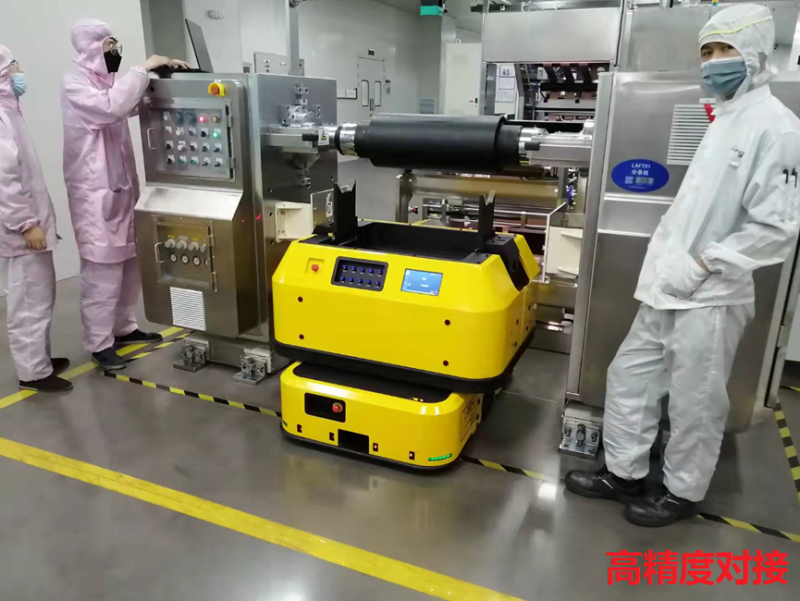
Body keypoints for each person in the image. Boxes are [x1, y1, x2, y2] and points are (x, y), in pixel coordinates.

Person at [565, 4, 800, 527]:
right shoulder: (723, 118)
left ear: (755, 53)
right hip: (667, 288)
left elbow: (777, 229)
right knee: (629, 377)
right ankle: (623, 473)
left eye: (725, 49)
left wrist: (701, 266)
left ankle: (681, 492)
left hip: (711, 296)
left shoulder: (778, 129)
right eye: (707, 51)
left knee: (695, 401)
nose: (713, 61)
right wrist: (673, 270)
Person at [62, 20, 189, 371]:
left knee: (131, 265)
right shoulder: (74, 84)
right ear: (90, 47)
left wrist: (160, 79)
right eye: (109, 45)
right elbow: (111, 108)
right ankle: (99, 343)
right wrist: (142, 69)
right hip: (95, 197)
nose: (114, 51)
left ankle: (123, 328)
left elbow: (128, 103)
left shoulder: (107, 83)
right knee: (102, 274)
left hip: (121, 191)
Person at [0, 46, 72, 393]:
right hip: (21, 231)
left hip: (28, 224)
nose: (19, 72)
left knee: (40, 295)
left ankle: (38, 358)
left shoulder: (9, 111)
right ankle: (32, 373)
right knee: (29, 301)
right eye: (13, 65)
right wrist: (26, 224)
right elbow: (4, 180)